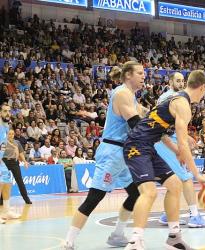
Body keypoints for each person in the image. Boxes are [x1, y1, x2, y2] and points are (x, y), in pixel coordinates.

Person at [123, 70, 205, 250]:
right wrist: (198, 175)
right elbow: (184, 143)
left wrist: (175, 151)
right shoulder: (183, 105)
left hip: (148, 145)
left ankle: (174, 237)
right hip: (137, 146)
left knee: (175, 185)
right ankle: (135, 241)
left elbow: (161, 132)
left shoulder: (175, 99)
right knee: (149, 192)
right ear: (202, 88)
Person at [63, 62, 146, 249]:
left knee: (137, 194)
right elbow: (137, 124)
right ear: (128, 75)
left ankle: (117, 235)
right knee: (94, 198)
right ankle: (68, 241)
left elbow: (143, 117)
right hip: (112, 153)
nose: (143, 76)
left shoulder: (131, 96)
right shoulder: (122, 93)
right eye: (140, 73)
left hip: (123, 153)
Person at [153, 72, 205, 228]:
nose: (180, 83)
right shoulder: (175, 99)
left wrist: (185, 138)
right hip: (159, 141)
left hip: (163, 139)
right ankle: (194, 216)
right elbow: (163, 131)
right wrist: (197, 174)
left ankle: (168, 214)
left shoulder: (180, 98)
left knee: (176, 179)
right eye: (177, 80)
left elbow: (168, 127)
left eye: (182, 80)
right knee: (186, 178)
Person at [0, 104, 21, 224]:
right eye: (4, 111)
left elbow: (4, 142)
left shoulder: (6, 126)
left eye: (9, 111)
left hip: (1, 160)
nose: (7, 113)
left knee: (7, 182)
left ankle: (7, 210)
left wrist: (14, 147)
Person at [2, 129, 31, 204]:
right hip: (4, 162)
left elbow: (21, 153)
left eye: (12, 134)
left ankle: (26, 198)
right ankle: (1, 200)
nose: (11, 135)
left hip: (14, 162)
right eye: (9, 134)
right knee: (2, 181)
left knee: (19, 181)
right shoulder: (3, 142)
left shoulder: (17, 142)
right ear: (6, 134)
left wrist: (24, 161)